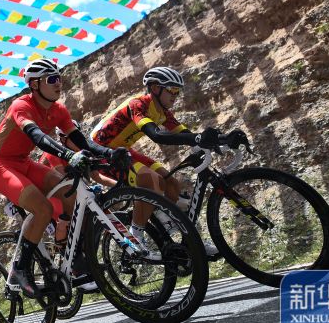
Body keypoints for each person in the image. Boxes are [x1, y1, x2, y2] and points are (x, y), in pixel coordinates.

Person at [0, 57, 129, 296]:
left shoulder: (58, 110)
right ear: (34, 84)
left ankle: (73, 258)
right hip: (0, 164)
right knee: (42, 208)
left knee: (71, 194)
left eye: (59, 78)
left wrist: (109, 153)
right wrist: (68, 155)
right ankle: (20, 269)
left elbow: (82, 142)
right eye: (52, 79)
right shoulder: (21, 106)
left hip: (24, 162)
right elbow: (38, 137)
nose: (58, 83)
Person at [91, 66, 247, 256]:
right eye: (172, 90)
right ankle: (135, 236)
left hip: (123, 150)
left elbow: (188, 135)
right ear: (155, 88)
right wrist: (198, 139)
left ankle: (184, 237)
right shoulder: (138, 105)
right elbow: (157, 135)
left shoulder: (162, 112)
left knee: (171, 183)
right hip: (103, 153)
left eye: (178, 91)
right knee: (150, 180)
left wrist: (223, 139)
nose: (175, 96)